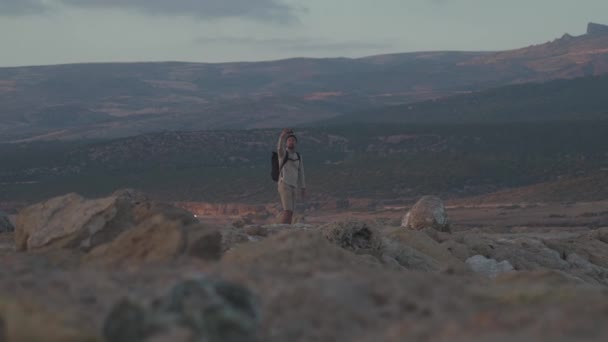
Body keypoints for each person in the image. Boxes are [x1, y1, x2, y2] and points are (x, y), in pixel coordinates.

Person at [277, 128, 306, 224]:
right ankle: (282, 231)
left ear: (296, 143)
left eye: (293, 140)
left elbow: (301, 172)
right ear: (286, 143)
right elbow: (279, 148)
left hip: (294, 185)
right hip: (284, 183)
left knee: (291, 211)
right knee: (287, 210)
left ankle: (287, 229)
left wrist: (303, 187)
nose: (291, 142)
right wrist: (282, 136)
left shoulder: (298, 156)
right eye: (289, 140)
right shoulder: (283, 154)